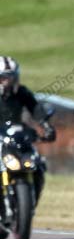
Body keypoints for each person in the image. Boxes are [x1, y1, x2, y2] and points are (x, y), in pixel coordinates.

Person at [0, 56, 56, 204]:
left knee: (37, 163)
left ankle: (30, 202)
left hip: (16, 138)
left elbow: (36, 109)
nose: (8, 81)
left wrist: (46, 127)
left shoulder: (21, 93)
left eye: (11, 77)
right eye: (4, 78)